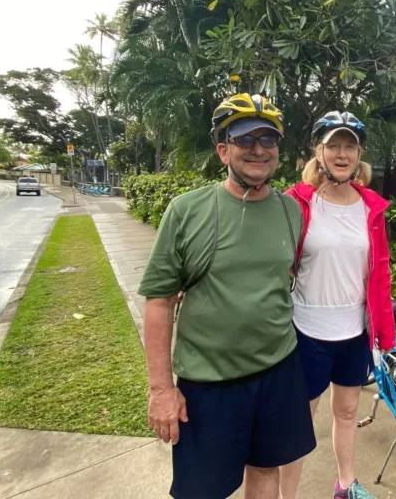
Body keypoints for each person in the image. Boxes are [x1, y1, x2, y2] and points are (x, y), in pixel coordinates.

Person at [138, 93, 316, 499]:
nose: (258, 149)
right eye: (244, 139)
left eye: (268, 140)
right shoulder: (186, 211)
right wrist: (162, 389)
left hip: (278, 369)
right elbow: (159, 301)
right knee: (201, 491)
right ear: (223, 150)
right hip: (209, 383)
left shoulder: (292, 212)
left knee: (266, 470)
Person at [279, 112, 396, 499]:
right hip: (307, 332)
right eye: (334, 145)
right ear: (319, 150)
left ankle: (346, 485)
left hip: (354, 332)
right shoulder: (296, 203)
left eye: (350, 146)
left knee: (347, 413)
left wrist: (383, 331)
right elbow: (269, 258)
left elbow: (380, 273)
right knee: (299, 421)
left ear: (359, 153)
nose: (342, 154)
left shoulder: (371, 208)